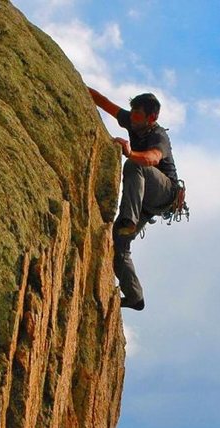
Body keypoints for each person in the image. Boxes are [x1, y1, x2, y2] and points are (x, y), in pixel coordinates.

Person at [88, 87, 179, 311]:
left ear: (152, 117)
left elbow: (152, 158)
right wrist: (76, 81)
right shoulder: (132, 120)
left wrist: (130, 153)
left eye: (138, 114)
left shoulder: (159, 136)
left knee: (134, 165)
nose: (133, 117)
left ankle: (129, 219)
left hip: (164, 191)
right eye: (133, 112)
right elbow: (105, 102)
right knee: (118, 245)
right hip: (145, 202)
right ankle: (135, 296)